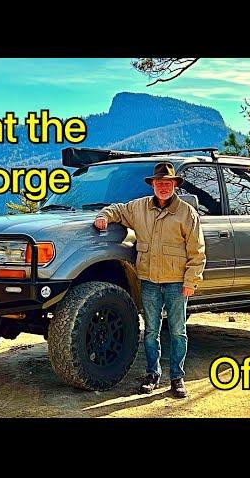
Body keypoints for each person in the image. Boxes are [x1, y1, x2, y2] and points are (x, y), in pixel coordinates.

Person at [94, 162, 206, 398]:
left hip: (177, 282)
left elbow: (197, 251)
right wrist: (104, 216)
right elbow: (118, 210)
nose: (163, 187)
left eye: (168, 183)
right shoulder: (139, 207)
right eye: (159, 183)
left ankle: (177, 378)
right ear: (153, 185)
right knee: (151, 331)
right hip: (149, 280)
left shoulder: (187, 213)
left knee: (177, 331)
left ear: (174, 185)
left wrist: (190, 281)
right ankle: (152, 374)